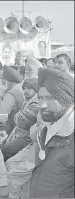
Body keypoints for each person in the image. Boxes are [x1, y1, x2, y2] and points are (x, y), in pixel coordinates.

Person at [29, 68, 74, 198]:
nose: (42, 105)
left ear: (66, 99)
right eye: (40, 98)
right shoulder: (47, 126)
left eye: (49, 98)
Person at [1, 78, 40, 161]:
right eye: (24, 88)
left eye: (29, 88)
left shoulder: (36, 103)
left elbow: (21, 120)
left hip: (26, 139)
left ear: (36, 89)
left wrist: (18, 114)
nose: (26, 91)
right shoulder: (28, 101)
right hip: (21, 136)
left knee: (5, 152)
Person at [0, 66, 24, 136]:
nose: (2, 82)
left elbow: (2, 116)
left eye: (2, 79)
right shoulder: (22, 88)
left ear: (7, 81)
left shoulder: (11, 94)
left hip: (12, 131)